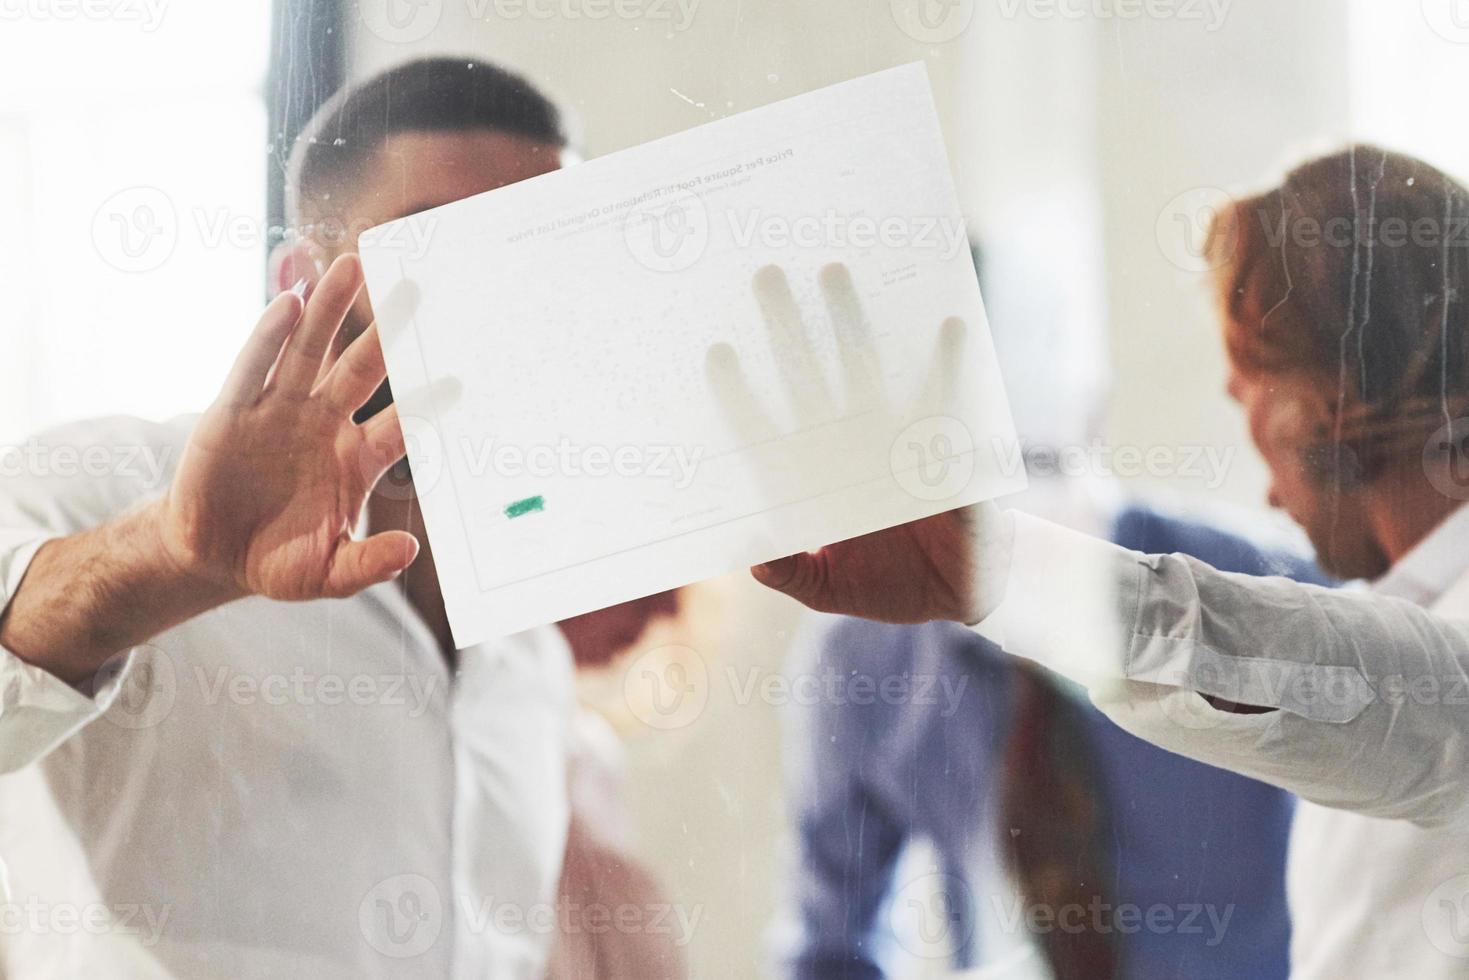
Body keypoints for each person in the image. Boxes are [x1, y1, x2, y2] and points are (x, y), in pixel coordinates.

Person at [0, 58, 675, 978]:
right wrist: (172, 554)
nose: (499, 300)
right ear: (300, 278)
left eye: (540, 251)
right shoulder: (98, 483)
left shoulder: (528, 647)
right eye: (433, 249)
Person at [754, 145, 1469, 977]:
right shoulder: (865, 660)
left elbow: (1407, 701)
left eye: (1249, 401)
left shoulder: (1298, 606)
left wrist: (997, 574)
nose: (1269, 489)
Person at [780, 238, 1330, 980]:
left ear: (1088, 402)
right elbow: (829, 950)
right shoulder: (863, 656)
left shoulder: (1272, 589)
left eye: (1025, 442)